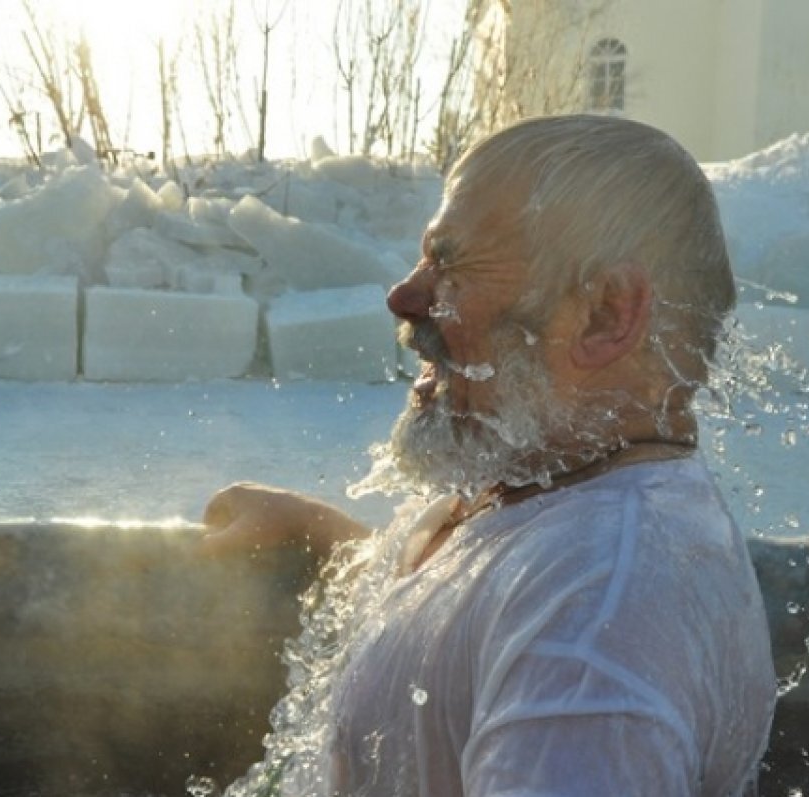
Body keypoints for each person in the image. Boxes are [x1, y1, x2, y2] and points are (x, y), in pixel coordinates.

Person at [201, 115, 776, 796]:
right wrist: (325, 535)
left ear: (604, 313)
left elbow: (551, 632)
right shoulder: (562, 500)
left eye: (450, 262)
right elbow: (468, 625)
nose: (404, 295)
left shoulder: (594, 634)